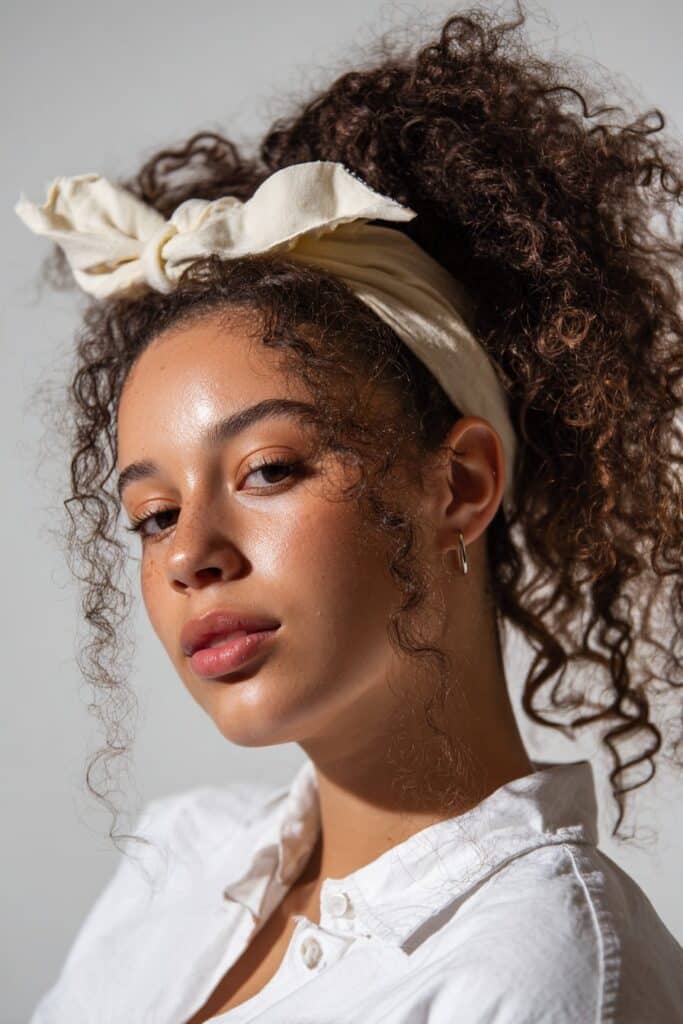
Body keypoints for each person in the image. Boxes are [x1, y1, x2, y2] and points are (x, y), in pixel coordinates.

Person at [15, 7, 683, 1023]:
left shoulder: (537, 969)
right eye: (151, 513)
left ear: (456, 485)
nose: (190, 553)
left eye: (269, 467)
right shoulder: (176, 862)